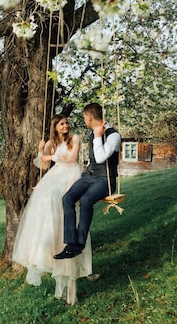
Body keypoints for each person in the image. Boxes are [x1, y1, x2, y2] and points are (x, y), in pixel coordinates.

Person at [12, 114, 93, 304]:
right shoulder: (51, 143)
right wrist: (41, 152)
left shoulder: (75, 139)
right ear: (55, 127)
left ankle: (66, 247)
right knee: (45, 196)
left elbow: (72, 159)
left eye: (66, 123)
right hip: (55, 175)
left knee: (59, 197)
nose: (65, 126)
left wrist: (50, 155)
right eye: (61, 124)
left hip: (70, 175)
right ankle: (46, 239)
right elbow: (44, 164)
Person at [54, 102, 121, 260]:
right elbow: (93, 160)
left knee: (86, 200)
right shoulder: (92, 134)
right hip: (89, 176)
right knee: (67, 198)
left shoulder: (113, 135)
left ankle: (79, 244)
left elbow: (101, 157)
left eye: (84, 118)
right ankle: (70, 243)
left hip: (105, 180)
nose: (84, 120)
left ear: (89, 117)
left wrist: (98, 136)